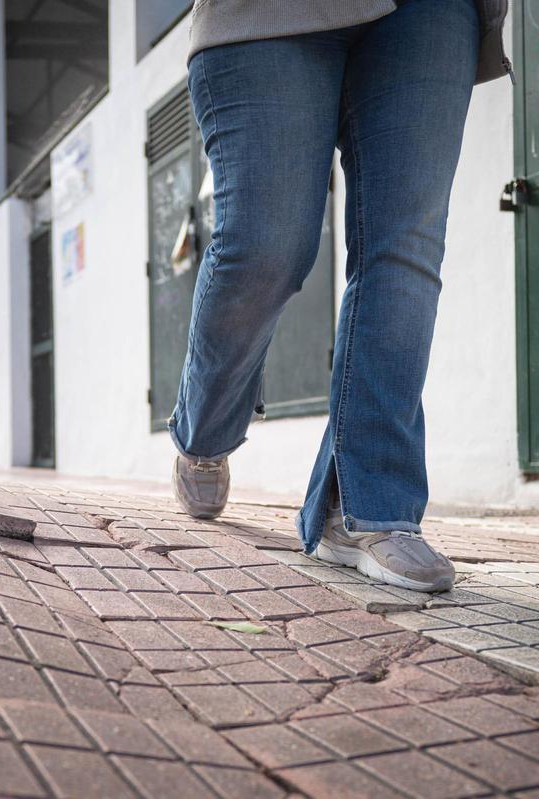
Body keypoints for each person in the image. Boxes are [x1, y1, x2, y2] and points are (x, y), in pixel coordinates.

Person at [169, 0, 512, 593]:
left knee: (404, 248)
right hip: (264, 15)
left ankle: (365, 510)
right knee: (265, 248)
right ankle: (204, 432)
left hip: (428, 12)